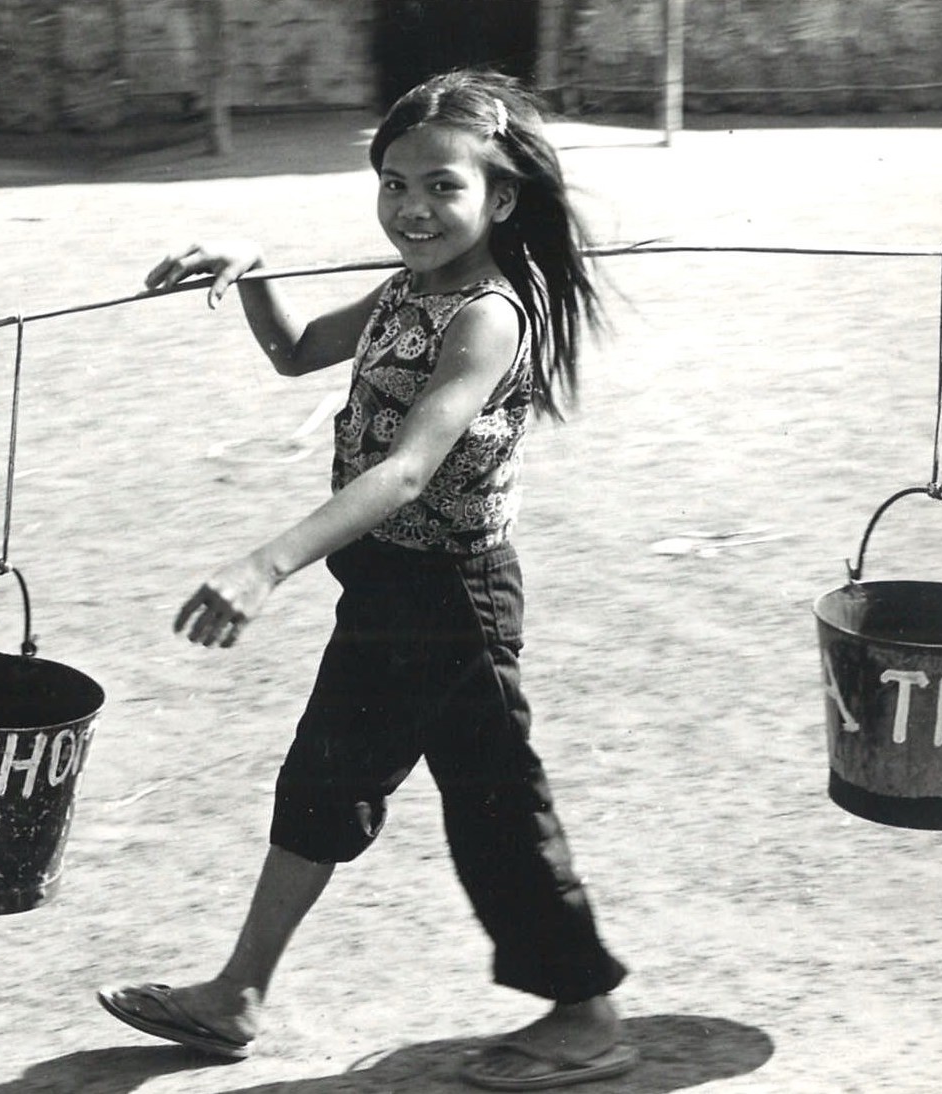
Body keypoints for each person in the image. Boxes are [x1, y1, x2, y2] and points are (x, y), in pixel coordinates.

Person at [98, 70, 637, 1091]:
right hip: (386, 588)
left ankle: (587, 1014)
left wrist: (266, 562)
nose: (410, 208)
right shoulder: (405, 291)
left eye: (442, 186)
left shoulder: (488, 317)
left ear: (502, 199)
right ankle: (237, 993)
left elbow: (405, 470)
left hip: (457, 599)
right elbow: (297, 350)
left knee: (496, 807)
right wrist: (252, 267)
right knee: (321, 784)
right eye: (393, 183)